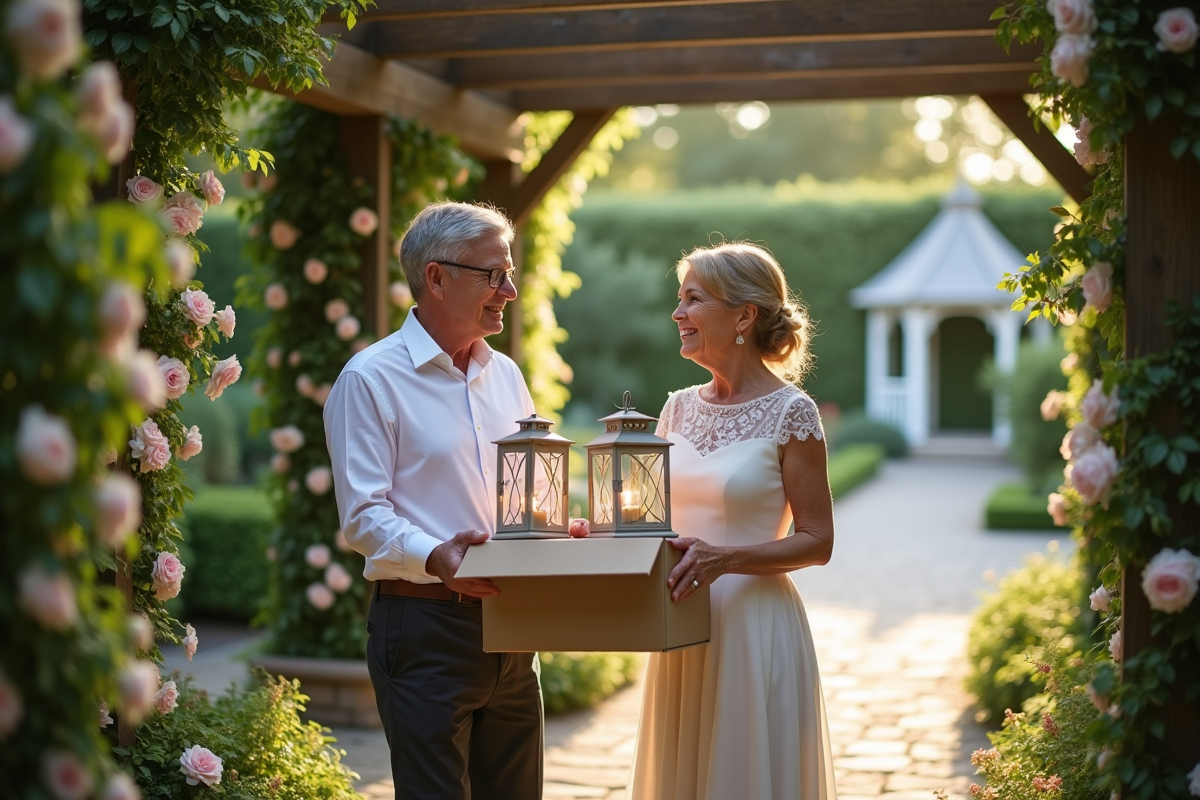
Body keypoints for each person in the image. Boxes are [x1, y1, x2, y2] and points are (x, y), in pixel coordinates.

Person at [324, 201, 543, 800]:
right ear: (436, 277)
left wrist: (550, 526)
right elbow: (363, 517)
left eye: (508, 272)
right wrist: (438, 555)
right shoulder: (370, 379)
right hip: (423, 627)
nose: (510, 290)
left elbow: (521, 493)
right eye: (493, 275)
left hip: (513, 628)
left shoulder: (507, 376)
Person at [626, 242, 838, 800]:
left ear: (743, 315)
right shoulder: (676, 407)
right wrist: (602, 533)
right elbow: (651, 514)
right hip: (678, 624)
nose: (677, 314)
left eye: (693, 300)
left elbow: (817, 542)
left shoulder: (793, 412)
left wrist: (728, 559)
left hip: (753, 630)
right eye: (679, 299)